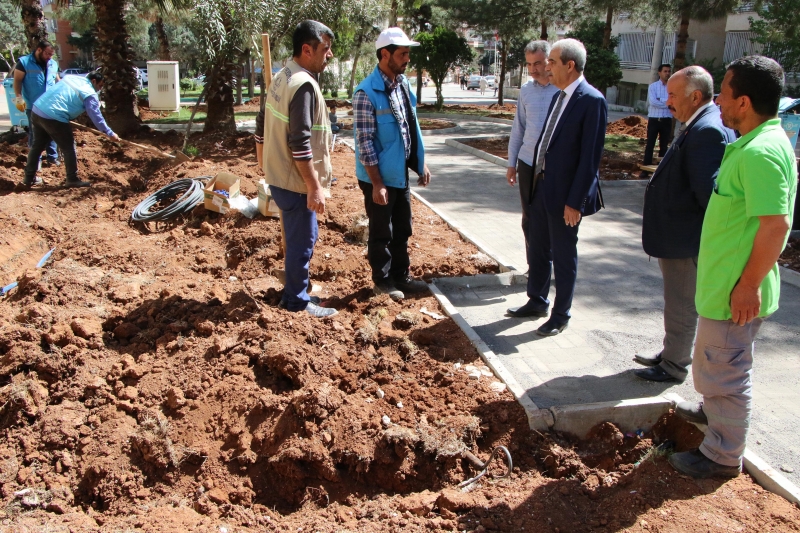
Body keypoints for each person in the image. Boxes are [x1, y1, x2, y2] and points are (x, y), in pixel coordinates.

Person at [668, 56, 796, 479]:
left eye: (723, 90)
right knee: (717, 364)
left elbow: (776, 224)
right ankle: (712, 412)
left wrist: (748, 285)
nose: (717, 97)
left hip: (734, 294)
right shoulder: (749, 141)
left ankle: (722, 455)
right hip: (723, 287)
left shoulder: (761, 151)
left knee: (727, 372)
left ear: (743, 101)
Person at [634, 66, 737, 383]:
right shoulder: (698, 124)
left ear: (695, 96)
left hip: (687, 241)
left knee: (681, 304)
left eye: (674, 95)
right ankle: (671, 353)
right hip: (679, 238)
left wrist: (700, 243)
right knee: (675, 302)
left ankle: (674, 365)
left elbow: (708, 196)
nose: (668, 102)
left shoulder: (707, 130)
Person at [522, 38, 607, 336]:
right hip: (542, 185)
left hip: (566, 196)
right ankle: (537, 300)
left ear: (570, 65)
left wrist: (576, 202)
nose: (547, 67)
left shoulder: (591, 100)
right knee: (538, 246)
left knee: (563, 253)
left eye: (553, 62)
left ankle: (561, 314)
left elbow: (589, 159)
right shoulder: (559, 95)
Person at [262, 20, 338, 318]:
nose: (328, 55)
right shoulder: (303, 85)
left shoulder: (283, 76)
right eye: (325, 49)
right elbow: (300, 142)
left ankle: (297, 292)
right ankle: (296, 302)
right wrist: (314, 186)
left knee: (300, 238)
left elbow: (260, 125)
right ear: (307, 49)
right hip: (296, 182)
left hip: (281, 175)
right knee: (302, 241)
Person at [353, 27, 431, 301]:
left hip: (399, 175)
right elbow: (365, 143)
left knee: (403, 228)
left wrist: (420, 163)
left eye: (408, 53)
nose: (407, 59)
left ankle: (401, 276)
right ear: (385, 54)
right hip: (379, 179)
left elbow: (411, 127)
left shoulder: (403, 85)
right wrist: (377, 183)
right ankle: (382, 281)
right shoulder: (365, 93)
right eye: (403, 54)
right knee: (381, 232)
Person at [505, 40, 560, 319]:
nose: (534, 70)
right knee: (530, 224)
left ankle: (541, 292)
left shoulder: (563, 91)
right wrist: (511, 163)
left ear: (550, 61)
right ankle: (536, 282)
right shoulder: (526, 91)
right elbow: (519, 129)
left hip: (551, 170)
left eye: (538, 63)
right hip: (527, 165)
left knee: (545, 230)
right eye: (529, 64)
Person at [23, 72, 120, 188]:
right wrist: (109, 132)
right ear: (93, 81)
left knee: (37, 145)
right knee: (68, 147)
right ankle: (72, 179)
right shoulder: (89, 93)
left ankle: (28, 178)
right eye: (100, 85)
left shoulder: (71, 78)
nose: (100, 89)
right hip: (54, 116)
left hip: (37, 110)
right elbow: (95, 115)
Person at [13, 39, 60, 166]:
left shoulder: (53, 64)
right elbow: (17, 81)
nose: (49, 57)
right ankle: (35, 162)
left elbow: (57, 81)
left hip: (50, 105)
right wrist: (18, 97)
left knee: (52, 131)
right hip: (33, 105)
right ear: (39, 50)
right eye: (47, 54)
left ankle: (52, 158)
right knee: (35, 133)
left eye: (51, 55)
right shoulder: (24, 62)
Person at [642, 64, 673, 171]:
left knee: (664, 146)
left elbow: (673, 102)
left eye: (669, 71)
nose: (667, 73)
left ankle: (661, 171)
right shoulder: (653, 86)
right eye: (665, 71)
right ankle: (645, 169)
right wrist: (667, 103)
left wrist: (661, 100)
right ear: (659, 73)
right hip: (654, 119)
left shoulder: (672, 88)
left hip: (666, 120)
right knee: (650, 144)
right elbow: (653, 102)